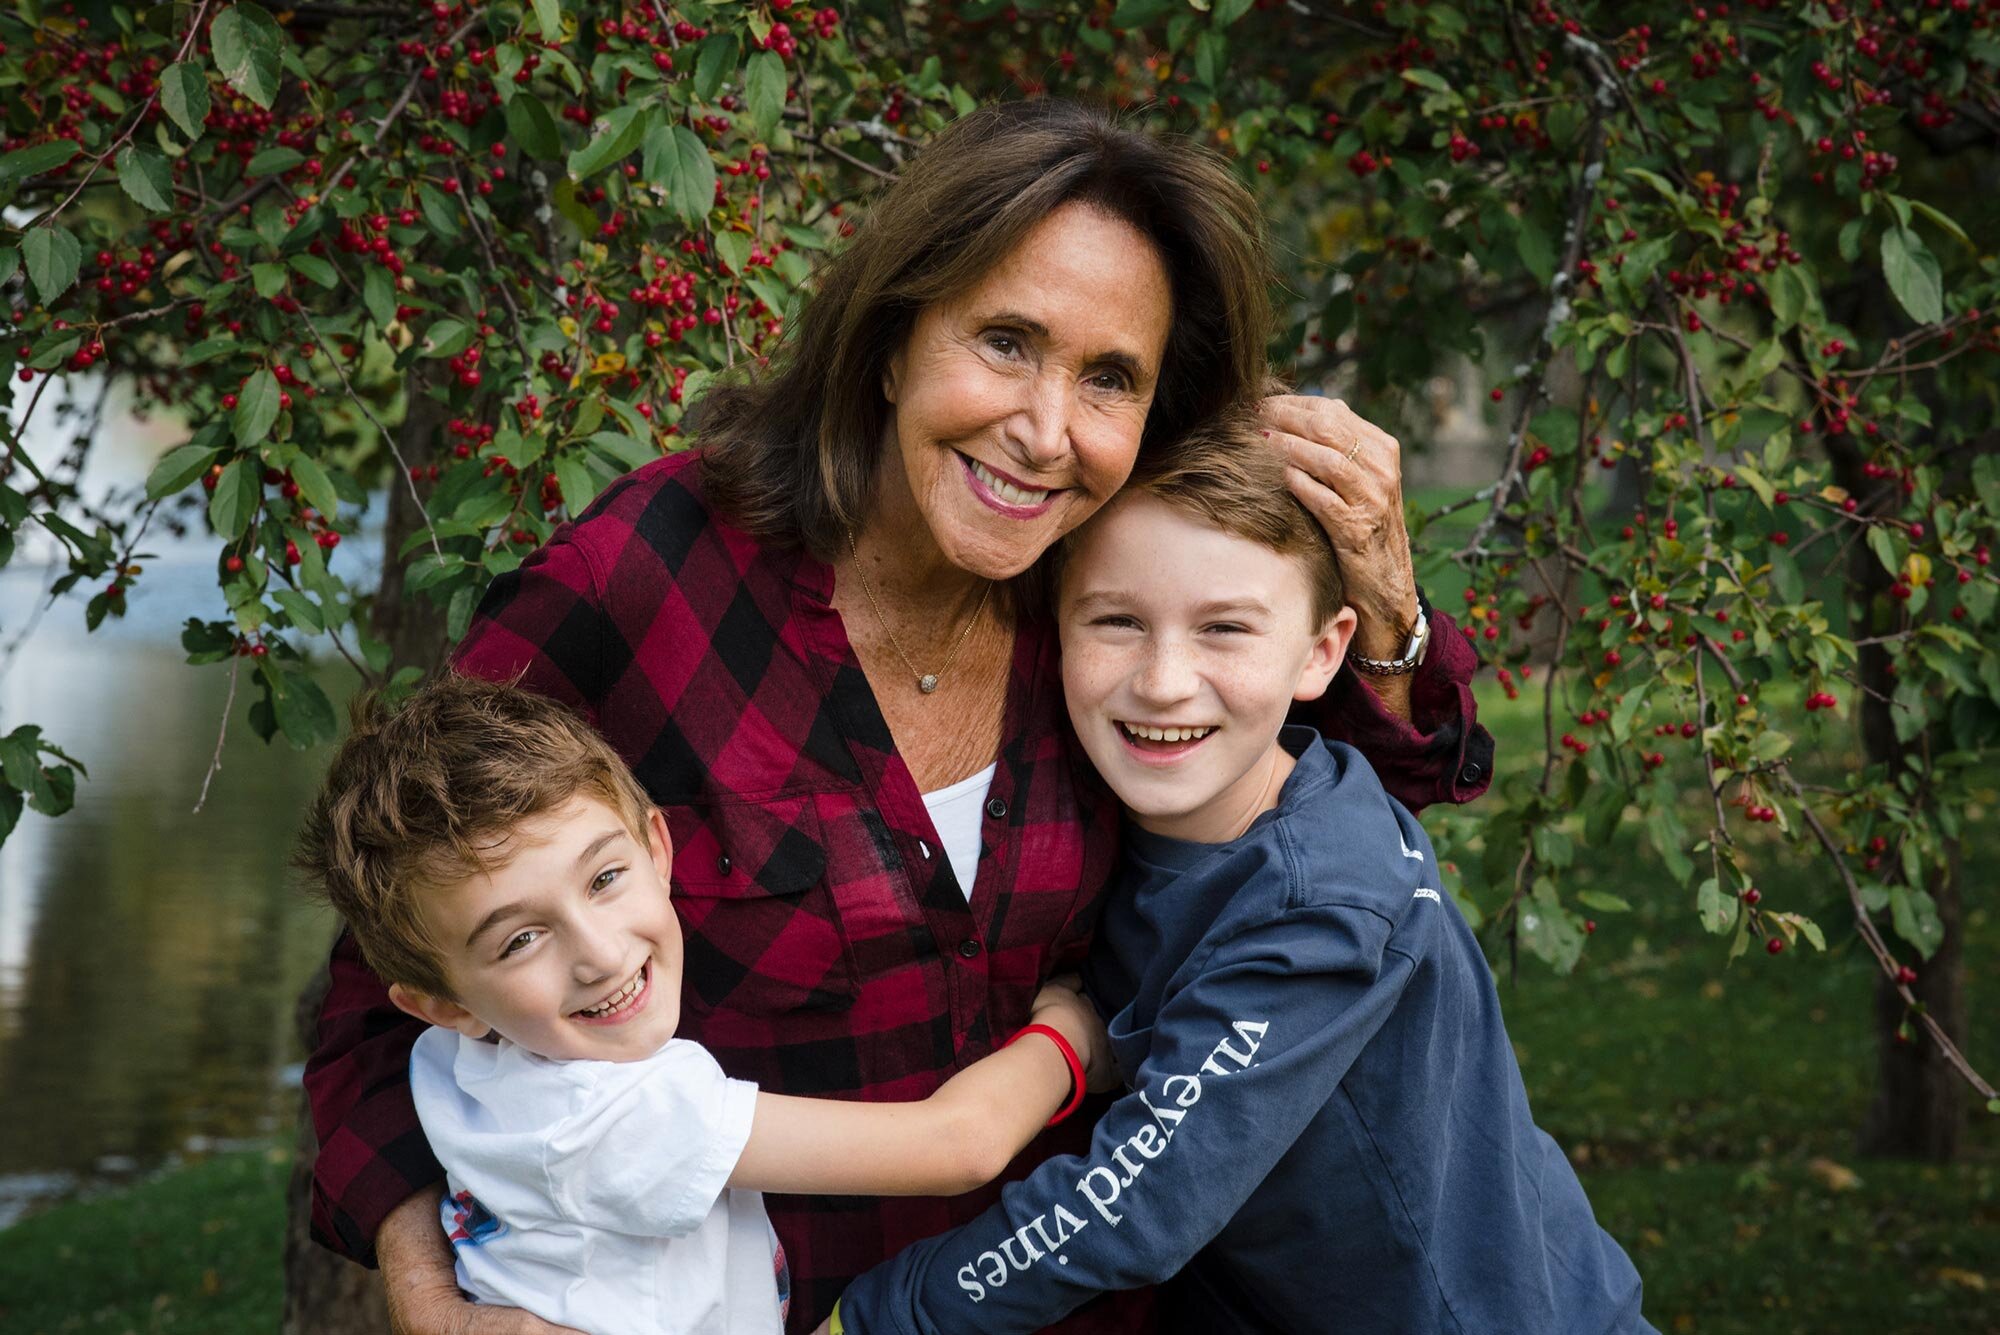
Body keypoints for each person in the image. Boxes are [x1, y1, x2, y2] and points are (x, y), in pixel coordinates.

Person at [304, 98, 1496, 1335]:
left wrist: (1384, 607)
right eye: (1004, 341)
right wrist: (429, 1293)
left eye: (1108, 379)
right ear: (888, 339)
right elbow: (385, 968)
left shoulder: (1113, 602)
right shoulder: (641, 582)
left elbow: (1328, 830)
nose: (1044, 432)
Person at [824, 416, 1652, 1335]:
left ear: (1321, 652)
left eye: (1224, 628)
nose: (1165, 680)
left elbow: (1135, 1203)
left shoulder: (1319, 901)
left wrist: (884, 1314)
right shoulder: (1159, 820)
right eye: (1117, 621)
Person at [295, 673, 1115, 1335]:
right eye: (520, 940)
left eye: (604, 877)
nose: (602, 952)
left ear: (657, 845)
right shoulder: (626, 1113)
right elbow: (958, 1144)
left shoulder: (453, 1063)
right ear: (439, 1001)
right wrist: (1072, 1036)